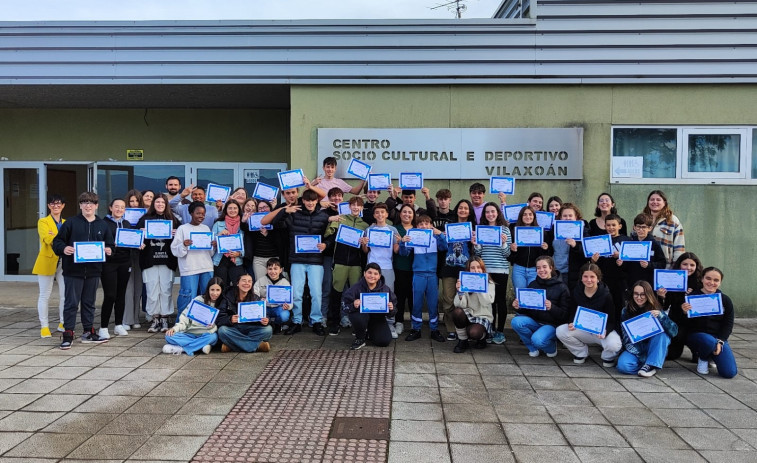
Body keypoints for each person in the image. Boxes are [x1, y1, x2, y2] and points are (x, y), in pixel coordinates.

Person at [261, 188, 329, 336]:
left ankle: (316, 320)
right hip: (297, 260)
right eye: (307, 200)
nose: (310, 203)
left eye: (313, 200)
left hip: (315, 260)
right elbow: (276, 224)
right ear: (303, 201)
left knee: (316, 293)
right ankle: (297, 321)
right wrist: (285, 211)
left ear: (316, 201)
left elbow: (331, 234)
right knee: (296, 293)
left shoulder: (323, 216)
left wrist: (326, 244)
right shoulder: (294, 213)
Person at [52, 191, 114, 349]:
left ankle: (88, 331)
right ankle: (68, 334)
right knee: (71, 303)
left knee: (89, 303)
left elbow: (110, 244)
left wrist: (108, 250)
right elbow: (57, 241)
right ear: (80, 205)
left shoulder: (102, 225)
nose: (88, 206)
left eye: (91, 203)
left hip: (93, 271)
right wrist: (64, 248)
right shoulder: (71, 223)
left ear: (96, 206)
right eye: (85, 203)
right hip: (73, 270)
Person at [556, 263, 622, 366]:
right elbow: (572, 312)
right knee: (560, 331)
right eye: (585, 276)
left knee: (614, 345)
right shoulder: (576, 291)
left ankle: (607, 357)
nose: (589, 280)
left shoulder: (606, 295)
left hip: (601, 332)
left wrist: (606, 331)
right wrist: (571, 322)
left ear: (598, 278)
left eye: (592, 277)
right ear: (581, 278)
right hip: (583, 330)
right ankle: (581, 352)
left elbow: (612, 320)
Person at [324, 196, 369, 335]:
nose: (355, 207)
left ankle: (357, 324)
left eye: (358, 205)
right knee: (336, 293)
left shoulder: (365, 225)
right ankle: (334, 323)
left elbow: (366, 248)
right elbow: (328, 234)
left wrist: (364, 242)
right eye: (353, 205)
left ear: (361, 208)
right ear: (349, 206)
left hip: (356, 264)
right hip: (340, 261)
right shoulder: (341, 219)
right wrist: (331, 222)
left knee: (356, 294)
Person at [398, 214, 447, 343]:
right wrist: (403, 243)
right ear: (417, 226)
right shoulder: (413, 236)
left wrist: (440, 235)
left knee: (432, 303)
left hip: (432, 275)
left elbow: (444, 247)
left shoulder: (435, 237)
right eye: (420, 224)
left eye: (426, 223)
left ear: (431, 225)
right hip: (418, 274)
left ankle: (434, 330)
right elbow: (404, 253)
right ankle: (416, 329)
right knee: (417, 303)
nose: (424, 226)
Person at [682, 267, 737, 378]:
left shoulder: (725, 300)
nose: (711, 282)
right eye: (708, 278)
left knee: (729, 373)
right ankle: (702, 358)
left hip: (717, 337)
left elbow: (728, 324)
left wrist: (721, 341)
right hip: (696, 336)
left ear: (720, 283)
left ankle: (710, 354)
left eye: (716, 280)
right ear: (702, 279)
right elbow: (683, 324)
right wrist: (684, 312)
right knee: (708, 341)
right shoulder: (691, 297)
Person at [511, 256, 570, 357]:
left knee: (537, 339)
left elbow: (565, 315)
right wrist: (518, 306)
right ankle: (533, 347)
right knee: (516, 321)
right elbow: (526, 310)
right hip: (535, 321)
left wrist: (552, 307)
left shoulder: (562, 287)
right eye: (538, 268)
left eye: (544, 267)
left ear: (551, 268)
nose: (541, 270)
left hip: (551, 324)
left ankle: (551, 347)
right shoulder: (533, 284)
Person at [137, 194, 180, 333]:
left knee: (166, 290)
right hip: (149, 260)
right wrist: (140, 235)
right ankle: (155, 318)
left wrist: (176, 233)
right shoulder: (144, 219)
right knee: (151, 290)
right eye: (157, 202)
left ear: (166, 204)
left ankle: (165, 318)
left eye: (163, 202)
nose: (160, 204)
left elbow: (181, 239)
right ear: (153, 204)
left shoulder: (173, 219)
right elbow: (136, 240)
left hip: (167, 260)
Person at [171, 201, 216, 330]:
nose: (201, 216)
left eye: (203, 214)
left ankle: (203, 324)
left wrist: (212, 246)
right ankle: (181, 325)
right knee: (187, 297)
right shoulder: (183, 229)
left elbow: (210, 253)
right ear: (191, 213)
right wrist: (184, 245)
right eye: (198, 213)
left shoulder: (206, 229)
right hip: (190, 268)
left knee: (206, 296)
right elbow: (175, 250)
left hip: (206, 267)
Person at [617, 281, 678, 377]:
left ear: (648, 295)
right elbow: (626, 337)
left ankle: (651, 364)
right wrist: (641, 355)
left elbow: (674, 331)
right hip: (636, 348)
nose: (639, 297)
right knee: (623, 366)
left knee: (663, 334)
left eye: (643, 294)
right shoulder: (626, 311)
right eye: (636, 294)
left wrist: (662, 316)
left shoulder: (656, 307)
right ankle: (650, 364)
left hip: (654, 346)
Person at [474, 202, 511, 344]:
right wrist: (476, 243)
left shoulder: (505, 230)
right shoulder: (481, 230)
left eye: (493, 211)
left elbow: (507, 254)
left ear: (497, 213)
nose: (490, 214)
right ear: (484, 214)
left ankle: (500, 331)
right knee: (489, 302)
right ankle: (490, 329)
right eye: (487, 212)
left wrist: (504, 243)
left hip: (501, 270)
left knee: (500, 301)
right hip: (485, 271)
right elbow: (478, 253)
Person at [362, 203, 402, 336]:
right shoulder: (369, 230)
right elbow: (366, 250)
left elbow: (396, 251)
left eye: (382, 212)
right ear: (374, 215)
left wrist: (400, 242)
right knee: (370, 294)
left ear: (386, 214)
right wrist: (364, 243)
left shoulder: (392, 230)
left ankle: (390, 324)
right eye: (377, 212)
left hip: (387, 267)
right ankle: (370, 324)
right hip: (372, 266)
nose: (380, 215)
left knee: (390, 295)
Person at [439, 199, 476, 340]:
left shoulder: (474, 228)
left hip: (466, 269)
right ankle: (450, 329)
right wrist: (442, 237)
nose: (463, 210)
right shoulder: (448, 225)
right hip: (449, 268)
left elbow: (477, 250)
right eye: (460, 208)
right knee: (448, 300)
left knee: (463, 299)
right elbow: (441, 248)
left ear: (469, 211)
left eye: (466, 208)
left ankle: (462, 327)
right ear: (457, 209)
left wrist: (474, 241)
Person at [341, 263, 398, 350]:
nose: (372, 276)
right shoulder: (355, 288)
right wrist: (353, 305)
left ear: (379, 276)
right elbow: (345, 307)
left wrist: (391, 309)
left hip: (377, 318)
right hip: (361, 316)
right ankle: (360, 338)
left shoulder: (385, 289)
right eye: (369, 272)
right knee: (357, 316)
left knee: (384, 341)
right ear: (364, 273)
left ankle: (370, 332)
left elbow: (393, 311)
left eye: (375, 274)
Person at [98, 198, 133, 339]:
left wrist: (138, 244)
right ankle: (103, 327)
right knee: (110, 295)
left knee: (121, 294)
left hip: (125, 262)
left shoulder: (127, 223)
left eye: (122, 207)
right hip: (109, 263)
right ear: (110, 207)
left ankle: (119, 324)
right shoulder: (103, 223)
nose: (119, 209)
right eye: (116, 207)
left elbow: (131, 240)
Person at [33, 194, 66, 338]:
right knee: (44, 295)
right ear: (48, 206)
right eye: (52, 204)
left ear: (63, 206)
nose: (56, 206)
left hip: (64, 262)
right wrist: (60, 237)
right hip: (47, 261)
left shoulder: (66, 222)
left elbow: (69, 239)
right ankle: (44, 326)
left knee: (65, 295)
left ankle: (63, 322)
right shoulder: (43, 221)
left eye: (59, 204)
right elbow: (47, 238)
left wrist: (55, 234)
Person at [659, 252, 703, 361]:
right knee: (672, 356)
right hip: (677, 321)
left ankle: (697, 349)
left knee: (698, 356)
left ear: (696, 266)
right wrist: (661, 296)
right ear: (679, 265)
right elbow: (664, 307)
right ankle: (678, 344)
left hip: (696, 323)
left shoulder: (700, 282)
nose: (688, 268)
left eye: (692, 265)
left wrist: (694, 295)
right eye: (685, 264)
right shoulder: (671, 280)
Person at [162, 277, 222, 356]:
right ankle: (200, 347)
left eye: (218, 290)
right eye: (212, 290)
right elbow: (184, 318)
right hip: (189, 333)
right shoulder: (198, 300)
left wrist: (213, 326)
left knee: (213, 338)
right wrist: (174, 328)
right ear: (208, 289)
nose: (215, 293)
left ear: (221, 291)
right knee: (168, 336)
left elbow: (220, 323)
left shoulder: (222, 304)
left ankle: (182, 349)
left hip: (206, 334)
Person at [216, 274, 273, 353]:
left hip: (251, 328)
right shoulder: (228, 297)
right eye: (244, 280)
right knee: (222, 331)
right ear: (237, 283)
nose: (247, 283)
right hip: (234, 328)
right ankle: (256, 346)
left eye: (249, 281)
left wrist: (266, 320)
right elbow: (219, 319)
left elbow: (266, 316)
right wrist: (230, 319)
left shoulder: (256, 298)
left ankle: (232, 345)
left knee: (268, 330)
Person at [451, 257, 496, 353]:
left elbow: (486, 302)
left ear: (482, 269)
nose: (476, 270)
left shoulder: (489, 283)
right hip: (469, 313)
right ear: (468, 270)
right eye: (472, 268)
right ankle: (462, 340)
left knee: (473, 333)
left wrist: (479, 287)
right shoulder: (465, 281)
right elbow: (459, 305)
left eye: (478, 267)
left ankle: (482, 337)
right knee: (457, 312)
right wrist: (460, 292)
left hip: (482, 316)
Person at [590, 213, 630, 316]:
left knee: (620, 306)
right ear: (604, 226)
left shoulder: (627, 240)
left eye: (613, 225)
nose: (611, 228)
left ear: (620, 226)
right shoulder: (600, 241)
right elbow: (596, 264)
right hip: (605, 279)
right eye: (608, 225)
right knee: (605, 306)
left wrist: (621, 256)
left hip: (621, 281)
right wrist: (593, 260)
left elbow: (632, 262)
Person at [617, 213, 666, 290]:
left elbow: (662, 264)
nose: (640, 230)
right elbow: (626, 265)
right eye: (638, 227)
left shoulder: (654, 244)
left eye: (644, 227)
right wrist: (621, 263)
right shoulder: (630, 243)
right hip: (632, 281)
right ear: (634, 228)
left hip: (649, 283)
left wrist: (649, 265)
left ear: (650, 228)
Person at [507, 206, 552, 290]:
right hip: (519, 269)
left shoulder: (542, 233)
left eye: (530, 214)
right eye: (525, 214)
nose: (528, 217)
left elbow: (547, 256)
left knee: (533, 295)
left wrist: (545, 249)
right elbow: (510, 258)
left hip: (535, 269)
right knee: (520, 295)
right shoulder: (514, 232)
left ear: (534, 217)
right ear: (521, 217)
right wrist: (513, 251)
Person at [643, 190, 685, 269]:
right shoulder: (642, 218)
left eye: (658, 200)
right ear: (648, 202)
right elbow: (633, 239)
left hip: (666, 266)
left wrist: (677, 265)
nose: (655, 202)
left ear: (664, 203)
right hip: (644, 264)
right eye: (652, 199)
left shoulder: (672, 220)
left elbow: (679, 246)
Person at [552, 203, 588, 291]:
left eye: (570, 215)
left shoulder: (583, 231)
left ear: (576, 217)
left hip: (574, 275)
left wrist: (575, 246)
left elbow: (587, 253)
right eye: (564, 216)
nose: (567, 218)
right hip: (556, 273)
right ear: (560, 217)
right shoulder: (553, 230)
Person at [392, 204, 416, 336]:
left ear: (413, 215)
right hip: (399, 267)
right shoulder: (395, 229)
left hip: (415, 268)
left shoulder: (418, 229)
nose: (407, 214)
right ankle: (399, 322)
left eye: (410, 212)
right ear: (400, 214)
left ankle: (414, 321)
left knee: (413, 297)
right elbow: (395, 249)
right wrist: (401, 241)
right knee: (399, 296)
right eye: (404, 212)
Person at [123, 190, 146, 329]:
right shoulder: (122, 218)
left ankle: (136, 318)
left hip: (140, 254)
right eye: (131, 201)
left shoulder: (145, 217)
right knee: (127, 288)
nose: (134, 204)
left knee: (138, 286)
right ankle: (127, 319)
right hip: (125, 254)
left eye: (137, 201)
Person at [253, 258, 292, 333]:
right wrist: (259, 299)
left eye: (275, 269)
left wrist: (288, 306)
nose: (273, 271)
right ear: (266, 270)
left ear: (280, 270)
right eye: (270, 269)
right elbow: (254, 293)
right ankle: (268, 323)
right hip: (265, 308)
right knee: (258, 314)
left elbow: (289, 300)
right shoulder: (261, 280)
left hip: (278, 307)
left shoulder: (285, 282)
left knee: (285, 315)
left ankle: (277, 324)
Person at [212, 199, 246, 286]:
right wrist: (219, 235)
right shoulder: (218, 224)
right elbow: (211, 243)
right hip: (220, 259)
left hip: (236, 260)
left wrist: (239, 253)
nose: (232, 210)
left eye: (235, 208)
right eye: (230, 208)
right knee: (221, 286)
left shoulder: (243, 224)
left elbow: (247, 243)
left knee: (238, 286)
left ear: (239, 210)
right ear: (226, 210)